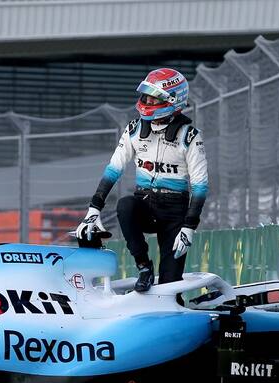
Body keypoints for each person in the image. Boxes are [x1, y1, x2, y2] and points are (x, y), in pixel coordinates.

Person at [76, 68, 208, 293]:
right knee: (126, 204)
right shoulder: (134, 129)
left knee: (170, 286)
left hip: (175, 212)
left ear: (173, 99)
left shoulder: (190, 136)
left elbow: (200, 185)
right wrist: (93, 210)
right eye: (146, 96)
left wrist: (189, 227)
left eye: (154, 97)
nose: (147, 101)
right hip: (144, 203)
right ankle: (143, 266)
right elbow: (113, 170)